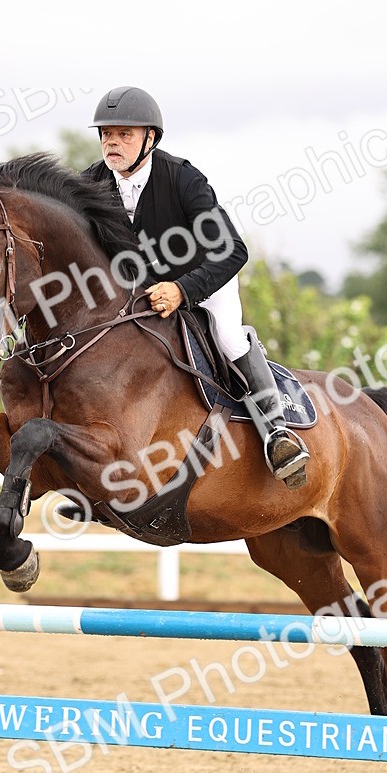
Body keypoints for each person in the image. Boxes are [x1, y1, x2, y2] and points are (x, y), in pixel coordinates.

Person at [81, 85, 310, 488]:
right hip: (139, 290)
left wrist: (184, 290)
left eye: (124, 134)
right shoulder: (91, 183)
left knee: (228, 338)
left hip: (205, 276)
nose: (112, 143)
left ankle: (278, 434)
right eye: (106, 134)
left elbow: (233, 250)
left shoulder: (182, 178)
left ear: (150, 138)